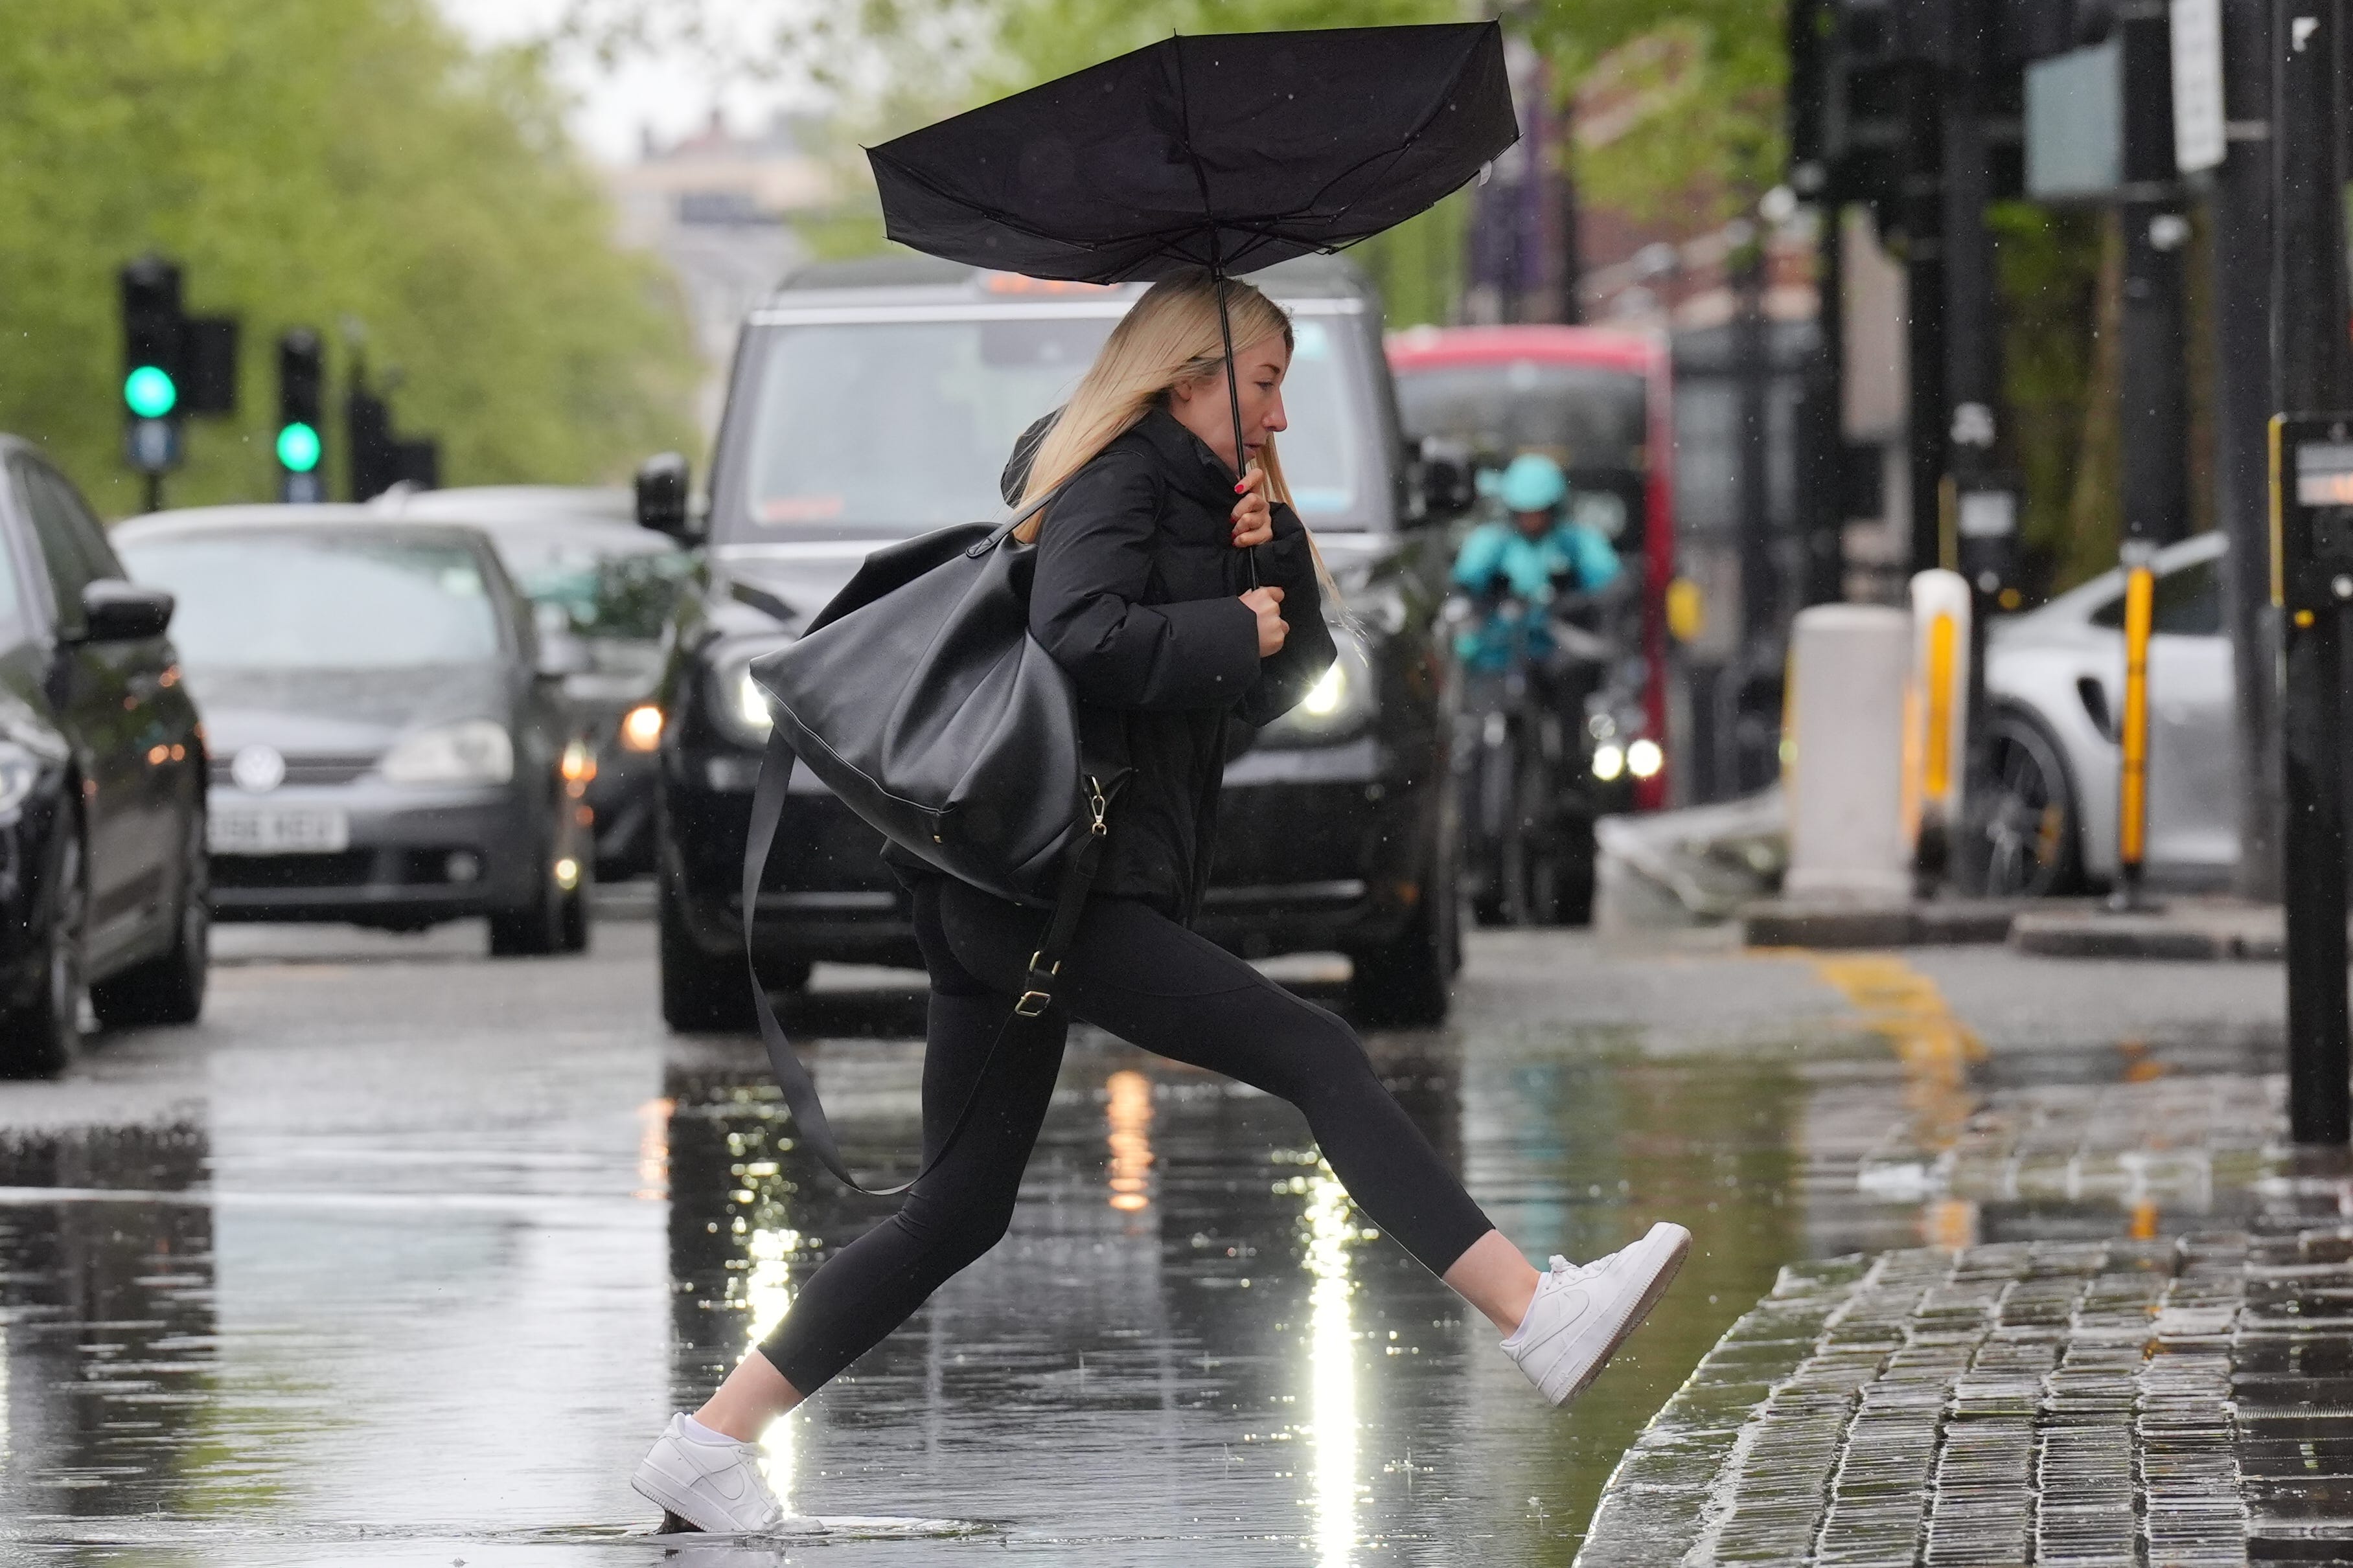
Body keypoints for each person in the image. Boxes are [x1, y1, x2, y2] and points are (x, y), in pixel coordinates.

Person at [628, 275, 1692, 1536]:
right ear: (1187, 375)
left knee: (958, 1208)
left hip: (1011, 889)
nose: (1281, 413)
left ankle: (708, 1439)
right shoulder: (1110, 479)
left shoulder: (1191, 498)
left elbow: (1276, 676)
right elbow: (1082, 632)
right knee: (1316, 1049)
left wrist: (1271, 547)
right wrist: (1221, 621)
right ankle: (1534, 1312)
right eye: (1263, 384)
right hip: (1050, 886)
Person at [1450, 451, 1622, 677]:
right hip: (1498, 659)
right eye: (1524, 512)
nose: (1531, 520)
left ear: (1554, 507)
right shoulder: (1492, 543)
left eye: (1538, 512)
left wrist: (1569, 603)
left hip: (1565, 659)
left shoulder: (1578, 543)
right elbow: (1465, 591)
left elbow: (1612, 589)